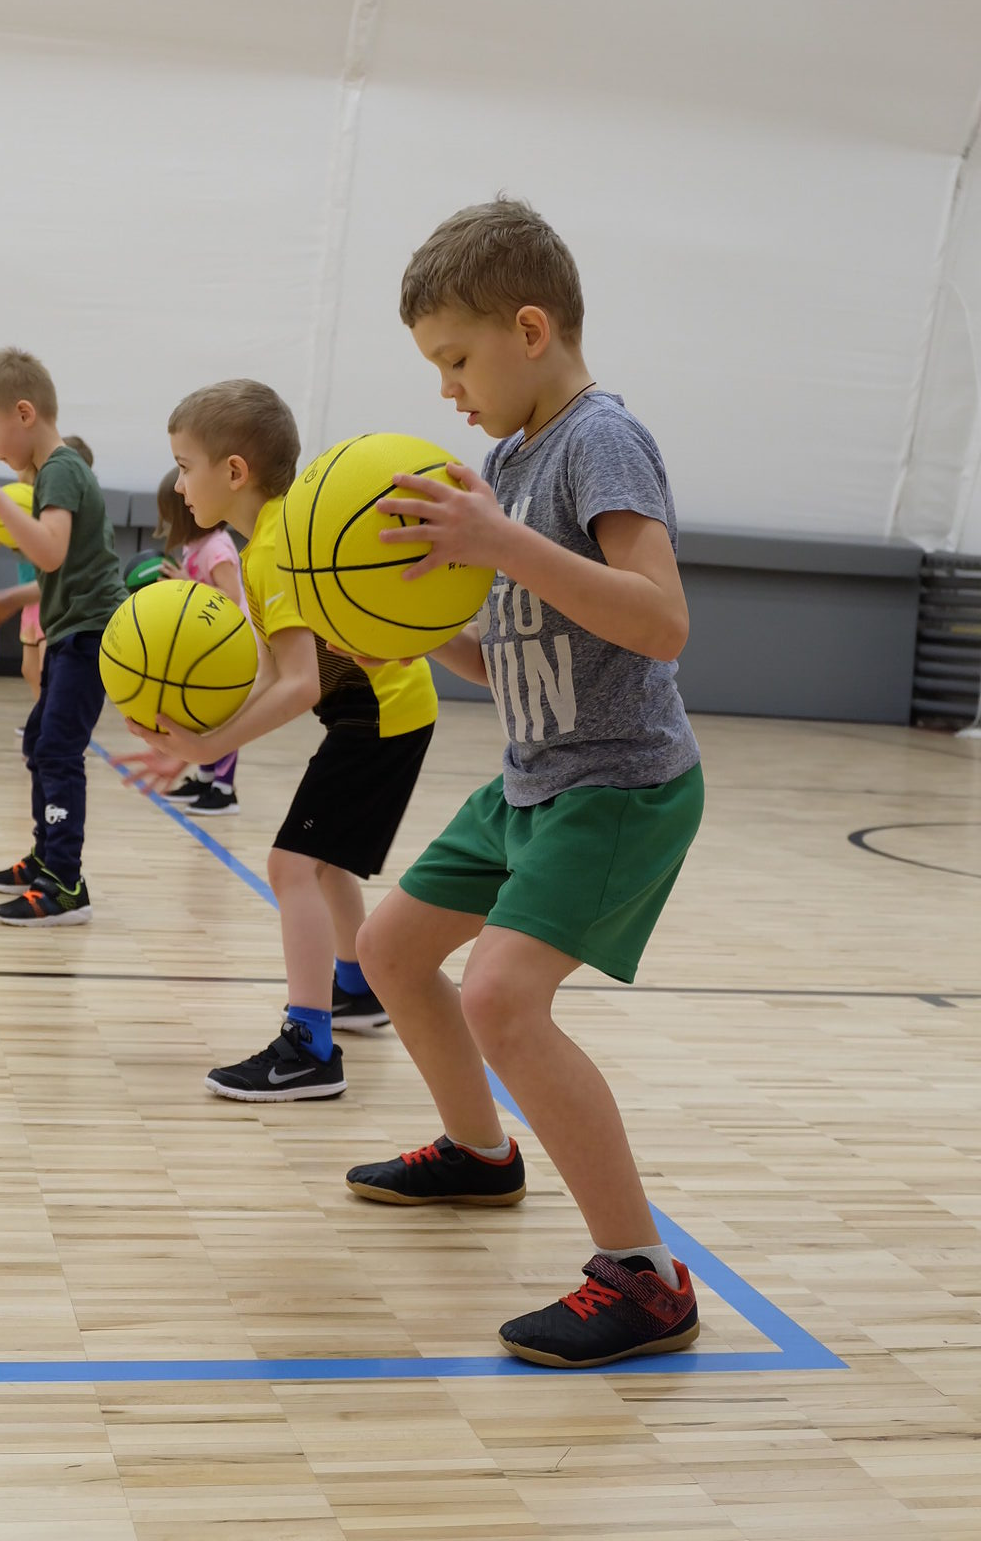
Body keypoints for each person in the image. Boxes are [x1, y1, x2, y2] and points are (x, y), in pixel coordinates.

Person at [343, 198, 705, 1369]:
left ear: (530, 328)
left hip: (618, 785)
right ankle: (478, 1154)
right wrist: (405, 638)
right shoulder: (504, 459)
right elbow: (513, 658)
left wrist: (496, 543)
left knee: (501, 996)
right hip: (531, 776)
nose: (448, 387)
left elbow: (660, 625)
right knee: (393, 950)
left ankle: (643, 1281)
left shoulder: (600, 438)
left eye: (456, 358)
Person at [122, 379, 438, 1097]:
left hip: (378, 716)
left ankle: (309, 1048)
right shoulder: (275, 535)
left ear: (233, 472)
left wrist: (206, 750)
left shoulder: (275, 550)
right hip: (384, 711)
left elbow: (300, 683)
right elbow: (275, 667)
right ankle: (355, 988)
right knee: (322, 867)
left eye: (183, 464)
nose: (178, 483)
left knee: (291, 867)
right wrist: (203, 732)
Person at [0, 347, 127, 926]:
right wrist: (3, 600)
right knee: (40, 741)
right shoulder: (56, 472)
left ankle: (66, 884)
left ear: (24, 413)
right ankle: (47, 857)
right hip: (76, 628)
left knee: (57, 749)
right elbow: (59, 572)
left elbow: (49, 549)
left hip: (91, 635)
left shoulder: (61, 470)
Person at [154, 466, 246, 815]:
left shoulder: (217, 546)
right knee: (205, 714)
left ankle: (224, 789)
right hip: (207, 648)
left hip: (230, 646)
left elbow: (232, 597)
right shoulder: (195, 546)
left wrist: (186, 584)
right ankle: (206, 778)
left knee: (223, 718)